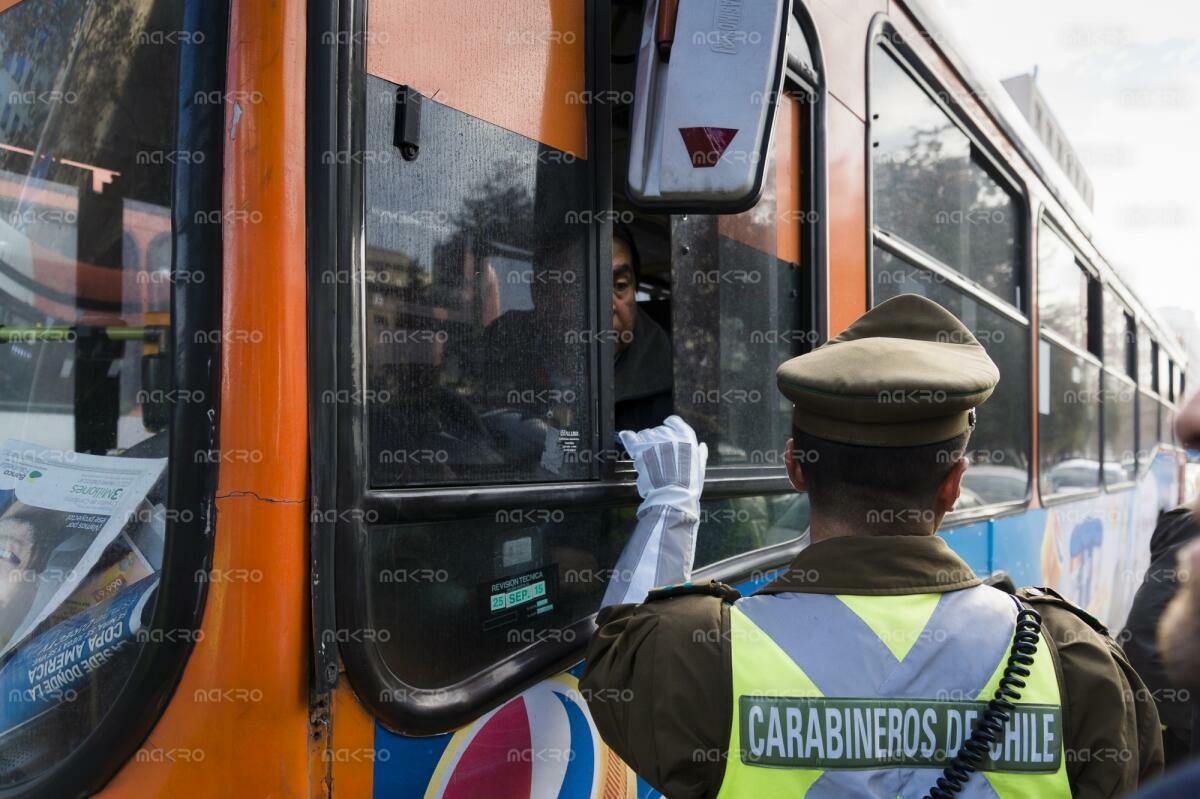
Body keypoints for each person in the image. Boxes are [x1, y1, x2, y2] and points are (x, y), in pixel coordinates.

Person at [582, 294, 1163, 798]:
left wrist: (670, 507)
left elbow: (614, 654)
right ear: (956, 483)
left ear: (796, 469)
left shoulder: (697, 654)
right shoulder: (1074, 663)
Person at [612, 223, 672, 432]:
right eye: (582, 286)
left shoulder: (678, 391)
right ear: (539, 291)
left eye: (620, 285)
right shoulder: (510, 366)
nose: (607, 306)